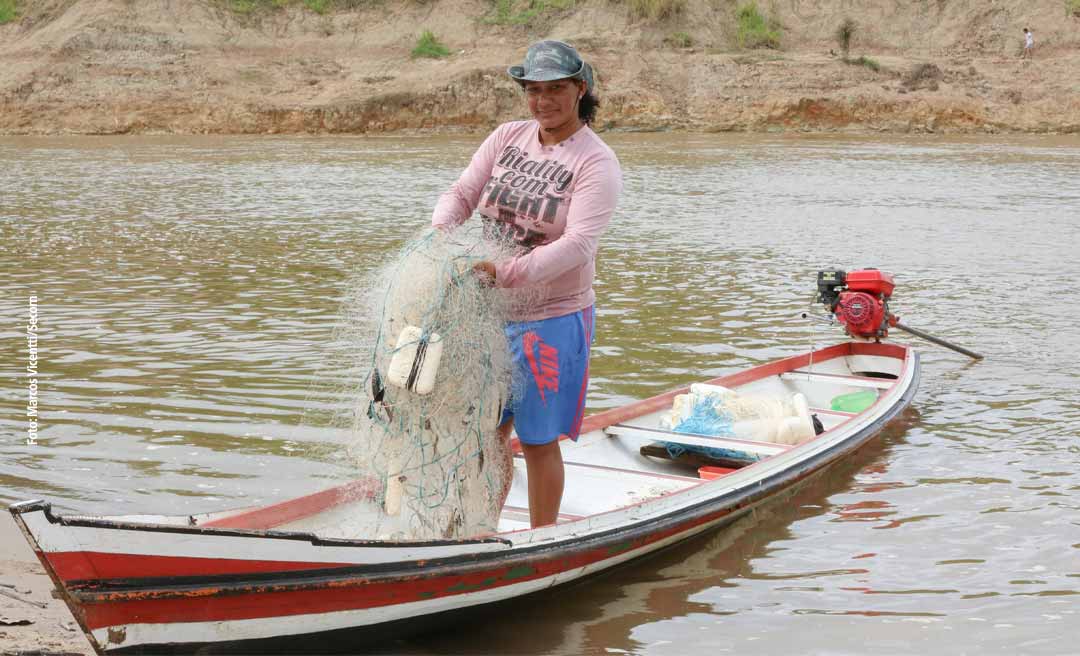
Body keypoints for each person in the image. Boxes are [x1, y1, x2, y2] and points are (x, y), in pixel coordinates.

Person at [430, 40, 622, 528]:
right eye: (533, 90)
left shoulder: (596, 162)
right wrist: (439, 233)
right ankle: (480, 530)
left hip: (552, 319)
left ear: (581, 89)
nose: (543, 101)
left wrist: (505, 273)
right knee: (486, 432)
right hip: (489, 315)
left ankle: (542, 540)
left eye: (556, 89)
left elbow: (578, 244)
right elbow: (462, 193)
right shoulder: (508, 136)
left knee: (537, 441)